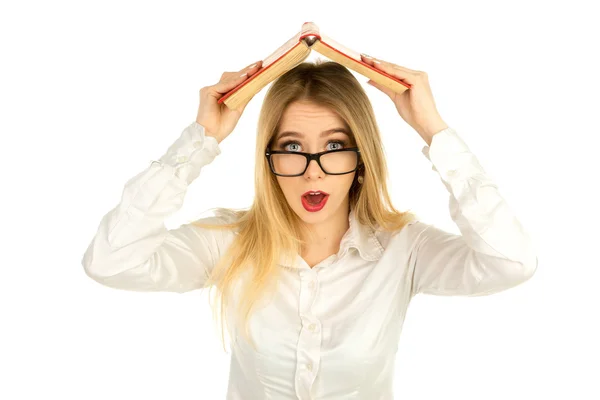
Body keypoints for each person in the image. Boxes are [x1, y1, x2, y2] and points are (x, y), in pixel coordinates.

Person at [81, 56, 538, 399]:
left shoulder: (405, 249)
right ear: (269, 159)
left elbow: (511, 262)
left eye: (335, 146)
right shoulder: (227, 244)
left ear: (362, 160)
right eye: (292, 146)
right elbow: (110, 261)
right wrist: (202, 138)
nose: (312, 172)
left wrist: (433, 130)